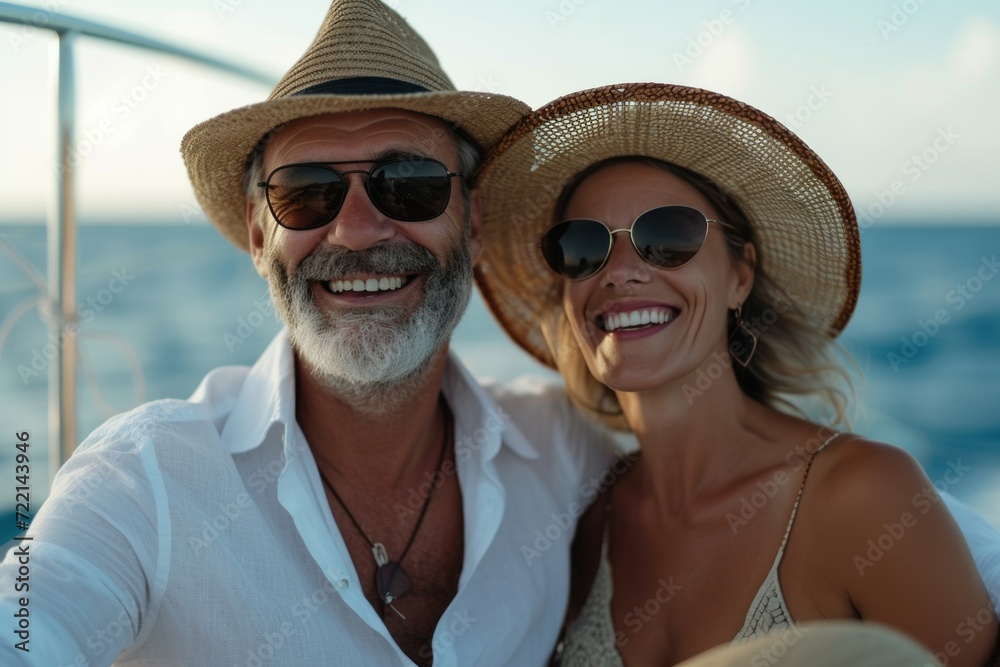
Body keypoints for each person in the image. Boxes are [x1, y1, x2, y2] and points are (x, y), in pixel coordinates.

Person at [0, 1, 617, 665]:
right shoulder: (142, 481)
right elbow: (30, 627)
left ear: (473, 222)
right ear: (262, 233)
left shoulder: (562, 450)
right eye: (305, 192)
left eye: (408, 185)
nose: (354, 230)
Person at [472, 83, 1000, 666]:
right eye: (582, 247)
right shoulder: (590, 525)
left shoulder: (864, 497)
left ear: (740, 276)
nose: (620, 272)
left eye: (667, 237)